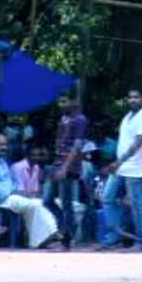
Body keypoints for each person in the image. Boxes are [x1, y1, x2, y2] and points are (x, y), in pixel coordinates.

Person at [0, 134, 61, 248]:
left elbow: (13, 183)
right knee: (33, 204)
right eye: (0, 145)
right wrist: (13, 191)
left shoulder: (2, 161)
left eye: (5, 144)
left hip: (10, 196)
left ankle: (44, 238)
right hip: (0, 199)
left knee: (38, 203)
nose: (4, 147)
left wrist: (16, 190)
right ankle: (48, 236)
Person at [98, 89, 142, 251]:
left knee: (137, 205)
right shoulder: (128, 117)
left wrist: (119, 161)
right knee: (107, 198)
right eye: (130, 97)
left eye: (136, 97)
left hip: (136, 168)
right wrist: (117, 163)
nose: (132, 100)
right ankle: (114, 235)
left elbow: (137, 144)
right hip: (121, 167)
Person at [52, 94, 89, 250]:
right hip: (58, 162)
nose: (61, 105)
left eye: (64, 101)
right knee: (48, 199)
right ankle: (65, 231)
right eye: (59, 101)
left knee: (66, 203)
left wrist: (65, 167)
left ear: (73, 101)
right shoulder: (64, 119)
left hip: (69, 166)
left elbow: (78, 145)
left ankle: (68, 238)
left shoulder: (79, 119)